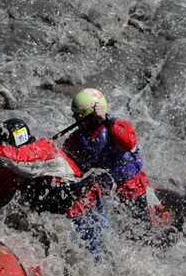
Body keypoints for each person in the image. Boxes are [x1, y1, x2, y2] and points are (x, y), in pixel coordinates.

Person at [0, 118, 107, 261]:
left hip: (84, 211)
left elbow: (16, 159)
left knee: (94, 260)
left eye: (2, 145)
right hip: (58, 214)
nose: (1, 148)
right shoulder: (9, 171)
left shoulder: (42, 148)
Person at [62, 88, 169, 229]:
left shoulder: (116, 128)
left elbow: (129, 141)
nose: (74, 118)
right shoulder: (76, 139)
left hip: (132, 191)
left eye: (78, 115)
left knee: (145, 233)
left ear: (90, 115)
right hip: (106, 195)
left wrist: (106, 120)